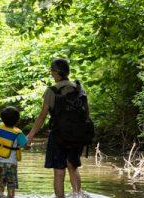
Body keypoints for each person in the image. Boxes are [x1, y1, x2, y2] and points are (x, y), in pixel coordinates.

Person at [26, 58, 90, 198]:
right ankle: (78, 195)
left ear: (57, 73)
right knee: (73, 166)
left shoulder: (52, 91)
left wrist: (30, 136)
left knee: (59, 172)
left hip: (58, 136)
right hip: (78, 136)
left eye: (52, 71)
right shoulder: (79, 88)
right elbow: (86, 113)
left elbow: (42, 116)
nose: (51, 73)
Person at [0, 99, 28, 198]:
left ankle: (0, 195)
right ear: (17, 120)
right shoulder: (18, 133)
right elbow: (26, 145)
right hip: (11, 164)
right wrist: (28, 145)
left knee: (1, 184)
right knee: (11, 186)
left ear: (2, 119)